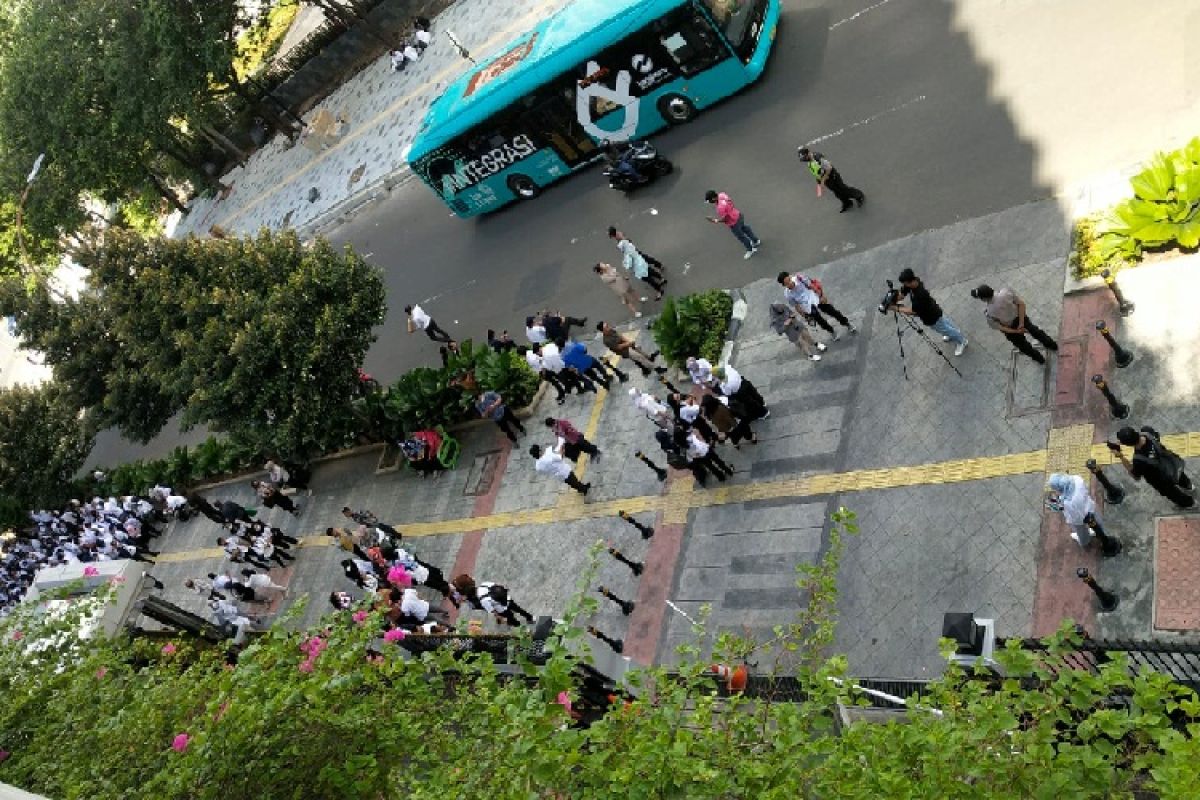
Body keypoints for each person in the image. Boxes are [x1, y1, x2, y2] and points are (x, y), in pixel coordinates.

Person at [971, 284, 1057, 364]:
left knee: (1024, 346)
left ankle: (1039, 359)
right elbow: (1021, 304)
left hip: (1009, 328)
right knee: (1035, 331)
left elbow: (999, 327)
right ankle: (1052, 345)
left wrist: (1015, 331)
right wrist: (1021, 323)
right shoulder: (1006, 292)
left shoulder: (989, 313)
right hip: (1020, 317)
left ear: (984, 299)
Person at [1111, 426, 1195, 508]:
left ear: (1128, 445)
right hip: (1171, 463)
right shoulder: (1147, 431)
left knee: (1173, 493)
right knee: (1180, 475)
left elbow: (1135, 476)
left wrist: (1121, 456)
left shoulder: (1138, 461)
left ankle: (1189, 503)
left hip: (1161, 480)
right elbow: (1156, 438)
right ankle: (1189, 486)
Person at [889, 269, 968, 356]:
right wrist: (892, 298)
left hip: (931, 317)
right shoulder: (914, 282)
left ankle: (962, 341)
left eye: (904, 283)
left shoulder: (920, 295)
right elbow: (902, 295)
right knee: (944, 323)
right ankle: (954, 332)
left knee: (944, 329)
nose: (904, 285)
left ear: (909, 282)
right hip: (934, 310)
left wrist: (896, 308)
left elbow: (913, 312)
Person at [777, 272, 856, 340]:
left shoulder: (799, 278)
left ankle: (847, 324)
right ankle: (832, 331)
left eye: (789, 280)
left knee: (832, 311)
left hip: (814, 297)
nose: (790, 283)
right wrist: (805, 316)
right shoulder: (787, 294)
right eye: (787, 283)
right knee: (820, 321)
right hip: (807, 307)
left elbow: (812, 286)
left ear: (790, 277)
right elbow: (796, 306)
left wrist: (821, 296)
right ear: (784, 285)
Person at [797, 146, 864, 212]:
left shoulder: (818, 159)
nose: (804, 160)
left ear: (808, 153)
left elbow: (829, 168)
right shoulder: (810, 161)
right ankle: (847, 203)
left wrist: (823, 179)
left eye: (805, 157)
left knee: (843, 188)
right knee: (837, 192)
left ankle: (859, 196)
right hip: (825, 179)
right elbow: (816, 171)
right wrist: (819, 180)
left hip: (832, 176)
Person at [1044, 474, 1104, 548]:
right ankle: (1098, 531)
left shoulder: (1067, 502)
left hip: (1080, 519)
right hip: (1090, 506)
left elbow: (1074, 516)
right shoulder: (1077, 479)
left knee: (1081, 531)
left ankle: (1085, 541)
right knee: (1097, 520)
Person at [452, 574, 535, 627]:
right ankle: (530, 618)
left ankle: (520, 628)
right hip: (508, 599)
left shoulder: (482, 600)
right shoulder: (485, 584)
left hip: (502, 610)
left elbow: (494, 612)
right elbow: (498, 586)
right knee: (519, 609)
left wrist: (501, 619)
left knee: (512, 620)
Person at [608, 228, 666, 299]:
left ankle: (659, 290)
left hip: (637, 264)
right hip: (639, 258)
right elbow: (629, 244)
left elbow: (628, 257)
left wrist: (626, 265)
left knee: (647, 278)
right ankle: (661, 278)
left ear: (612, 235)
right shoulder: (623, 239)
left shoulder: (621, 245)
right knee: (649, 269)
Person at [705, 189, 760, 258]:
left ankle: (750, 249)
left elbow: (725, 219)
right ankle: (756, 240)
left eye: (710, 201)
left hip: (733, 223)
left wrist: (715, 220)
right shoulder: (722, 194)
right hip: (738, 215)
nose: (710, 202)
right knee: (745, 228)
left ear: (713, 198)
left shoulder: (720, 207)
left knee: (741, 237)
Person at [599, 321, 664, 377]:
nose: (609, 327)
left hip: (627, 344)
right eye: (606, 327)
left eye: (607, 325)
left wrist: (628, 342)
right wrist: (628, 344)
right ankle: (657, 368)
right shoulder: (606, 340)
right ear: (603, 331)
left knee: (640, 351)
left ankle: (649, 358)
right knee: (640, 357)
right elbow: (618, 347)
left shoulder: (611, 330)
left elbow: (620, 336)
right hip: (624, 351)